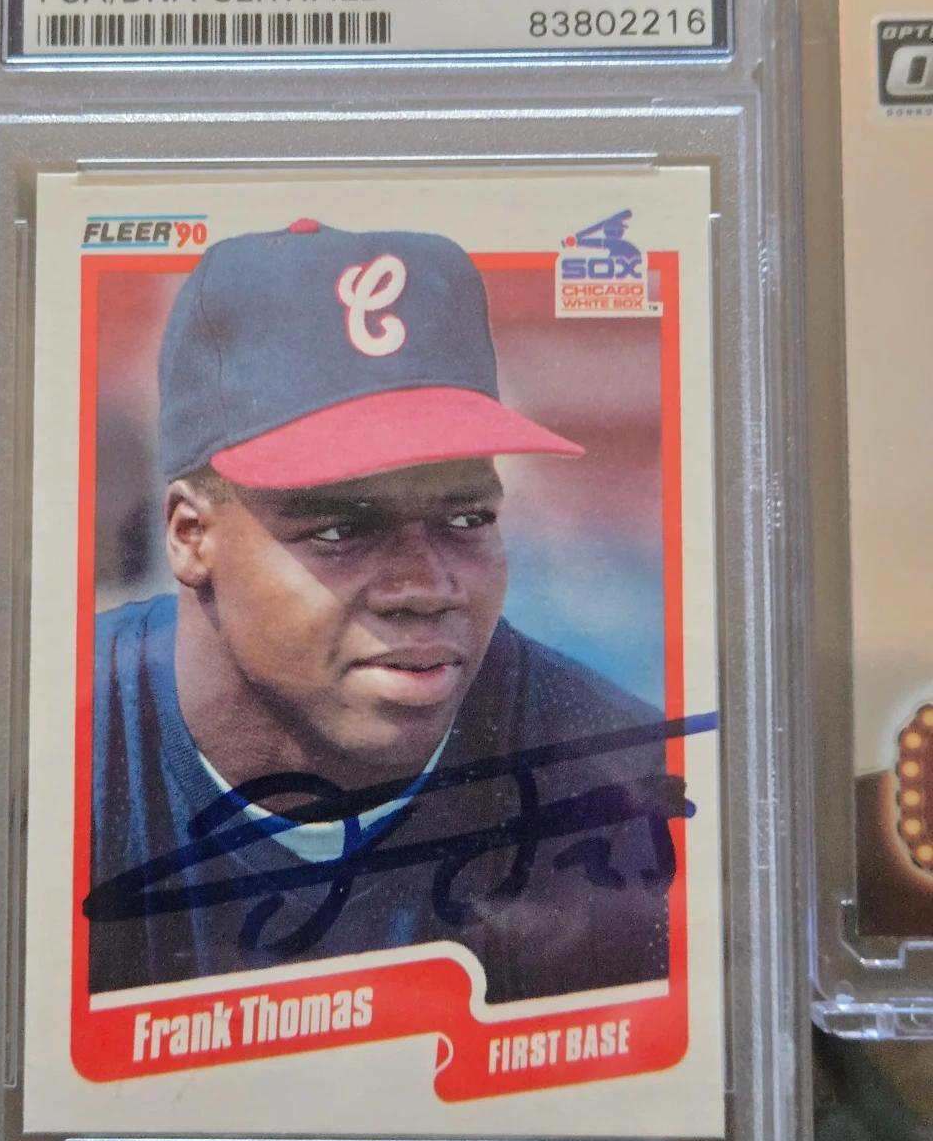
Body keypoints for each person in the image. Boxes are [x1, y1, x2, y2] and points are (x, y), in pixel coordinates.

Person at [86, 220, 681, 1001]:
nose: (425, 586)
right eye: (340, 529)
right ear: (191, 536)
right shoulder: (51, 753)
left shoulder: (619, 782)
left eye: (465, 518)